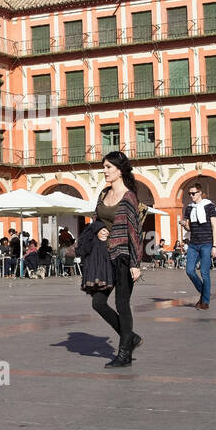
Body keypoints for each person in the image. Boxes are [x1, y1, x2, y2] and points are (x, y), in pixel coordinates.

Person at [90, 151, 145, 369]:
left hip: (123, 257)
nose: (104, 171)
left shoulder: (129, 197)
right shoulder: (103, 194)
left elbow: (135, 232)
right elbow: (94, 219)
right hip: (103, 257)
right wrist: (99, 229)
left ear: (120, 170)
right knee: (98, 302)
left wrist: (135, 263)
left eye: (108, 167)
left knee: (122, 304)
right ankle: (130, 337)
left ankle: (124, 355)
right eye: (103, 167)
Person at [178, 182, 216, 308]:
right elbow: (189, 228)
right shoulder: (189, 208)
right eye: (189, 194)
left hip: (206, 243)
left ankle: (205, 301)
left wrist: (215, 246)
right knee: (189, 271)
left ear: (200, 193)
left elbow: (214, 226)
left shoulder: (209, 206)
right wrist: (185, 225)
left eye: (193, 193)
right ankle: (205, 293)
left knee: (204, 273)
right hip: (193, 244)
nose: (191, 196)